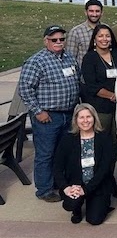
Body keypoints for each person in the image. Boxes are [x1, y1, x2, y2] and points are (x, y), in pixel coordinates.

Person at [19, 25, 80, 202]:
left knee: (62, 152)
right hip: (47, 116)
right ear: (46, 41)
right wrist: (38, 112)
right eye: (54, 40)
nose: (59, 42)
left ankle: (58, 183)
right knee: (45, 154)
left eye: (62, 39)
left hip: (68, 114)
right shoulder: (36, 61)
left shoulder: (69, 58)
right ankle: (44, 189)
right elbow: (25, 89)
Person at [53, 104, 114, 225]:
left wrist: (86, 189)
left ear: (94, 118)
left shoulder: (104, 138)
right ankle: (77, 210)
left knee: (94, 220)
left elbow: (105, 169)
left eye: (88, 117)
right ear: (76, 120)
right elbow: (57, 167)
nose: (85, 121)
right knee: (70, 204)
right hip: (75, 184)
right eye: (81, 117)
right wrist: (66, 188)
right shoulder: (67, 139)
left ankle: (101, 201)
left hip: (97, 184)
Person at [80, 24, 117, 153]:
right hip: (100, 107)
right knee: (101, 141)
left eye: (107, 36)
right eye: (100, 36)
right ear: (94, 39)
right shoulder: (89, 58)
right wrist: (113, 96)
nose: (104, 39)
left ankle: (111, 171)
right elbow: (91, 85)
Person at [67, 0, 103, 66]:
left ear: (102, 13)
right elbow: (70, 58)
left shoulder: (107, 29)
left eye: (97, 11)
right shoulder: (76, 32)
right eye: (91, 11)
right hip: (84, 73)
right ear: (86, 12)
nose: (94, 14)